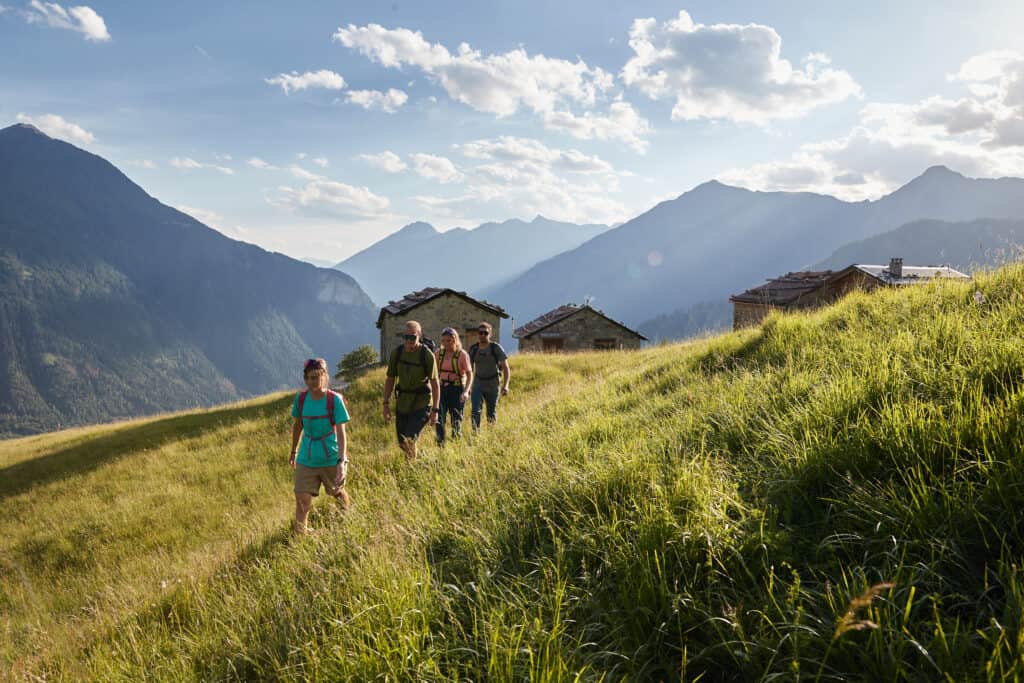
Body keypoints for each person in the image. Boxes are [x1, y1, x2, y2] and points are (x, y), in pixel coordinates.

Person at [289, 358, 350, 535]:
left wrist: (341, 462)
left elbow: (341, 433)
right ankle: (300, 538)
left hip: (330, 456)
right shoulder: (301, 399)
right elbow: (298, 426)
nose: (311, 382)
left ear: (324, 376)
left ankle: (347, 521)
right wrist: (293, 451)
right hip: (306, 457)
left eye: (315, 377)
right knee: (302, 500)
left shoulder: (334, 400)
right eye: (308, 378)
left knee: (338, 493)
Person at [383, 321, 440, 461]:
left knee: (409, 438)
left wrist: (435, 410)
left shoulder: (427, 355)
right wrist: (385, 404)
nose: (409, 340)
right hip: (403, 402)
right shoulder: (397, 353)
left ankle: (410, 467)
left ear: (419, 336)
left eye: (412, 337)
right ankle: (419, 460)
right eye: (406, 337)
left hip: (422, 402)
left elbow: (435, 383)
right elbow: (390, 379)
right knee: (402, 442)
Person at [468, 321, 510, 430]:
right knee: (475, 411)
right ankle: (475, 434)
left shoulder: (495, 348)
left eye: (485, 333)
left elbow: (506, 367)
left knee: (491, 413)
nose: (483, 335)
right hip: (478, 383)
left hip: (493, 384)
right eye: (480, 333)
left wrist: (505, 386)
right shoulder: (473, 349)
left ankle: (491, 434)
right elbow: (469, 370)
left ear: (490, 334)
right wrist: (467, 387)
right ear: (478, 334)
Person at [435, 327, 473, 445]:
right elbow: (433, 373)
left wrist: (466, 391)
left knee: (456, 418)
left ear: (455, 340)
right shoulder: (438, 353)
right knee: (439, 417)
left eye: (449, 340)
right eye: (443, 341)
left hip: (457, 389)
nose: (446, 343)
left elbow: (469, 374)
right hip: (441, 389)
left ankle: (456, 443)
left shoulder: (462, 355)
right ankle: (440, 444)